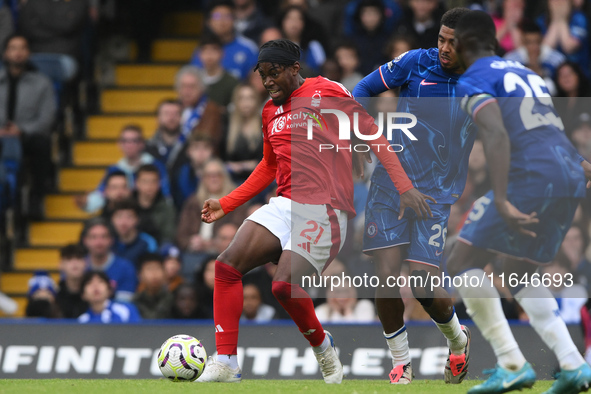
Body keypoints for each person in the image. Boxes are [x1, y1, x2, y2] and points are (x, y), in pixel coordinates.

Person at [198, 38, 432, 384]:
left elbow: (374, 136)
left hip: (325, 208)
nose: (268, 81)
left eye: (274, 72)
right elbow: (268, 165)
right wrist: (227, 202)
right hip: (284, 203)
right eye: (263, 75)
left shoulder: (327, 90)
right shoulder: (269, 111)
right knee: (226, 266)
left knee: (282, 287)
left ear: (295, 69)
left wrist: (404, 187)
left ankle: (323, 347)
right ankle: (227, 361)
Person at [448, 10, 591, 394]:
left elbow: (495, 135)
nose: (445, 50)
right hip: (567, 173)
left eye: (448, 43)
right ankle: (574, 365)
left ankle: (511, 363)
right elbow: (547, 128)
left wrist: (505, 200)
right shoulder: (525, 74)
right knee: (518, 271)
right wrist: (580, 165)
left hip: (530, 177)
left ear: (463, 45)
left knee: (461, 262)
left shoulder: (474, 79)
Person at [352, 7, 474, 385]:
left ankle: (458, 340)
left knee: (422, 283)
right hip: (391, 182)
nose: (443, 48)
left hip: (435, 197)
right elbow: (361, 90)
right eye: (440, 39)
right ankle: (401, 363)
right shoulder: (416, 63)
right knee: (385, 274)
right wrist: (360, 137)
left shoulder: (484, 82)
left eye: (453, 42)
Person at [0, 34, 56, 217]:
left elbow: (47, 118)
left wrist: (22, 130)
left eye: (22, 48)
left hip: (26, 136)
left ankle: (36, 199)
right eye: (13, 48)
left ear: (29, 53)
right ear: (5, 53)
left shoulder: (42, 82)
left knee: (42, 144)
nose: (18, 52)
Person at [75, 125, 171, 213]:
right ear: (119, 144)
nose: (129, 145)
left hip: (152, 214)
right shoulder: (114, 170)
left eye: (134, 141)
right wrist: (87, 203)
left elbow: (167, 196)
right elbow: (101, 194)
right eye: (125, 141)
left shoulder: (156, 166)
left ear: (142, 144)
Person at [190, 0, 258, 81]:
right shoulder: (201, 50)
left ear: (234, 20)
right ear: (208, 22)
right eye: (217, 16)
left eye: (227, 16)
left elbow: (257, 82)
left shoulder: (248, 48)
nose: (222, 20)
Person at [81, 218, 138, 303]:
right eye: (93, 237)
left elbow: (124, 305)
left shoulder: (126, 268)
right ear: (85, 240)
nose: (99, 242)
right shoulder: (78, 267)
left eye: (104, 237)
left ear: (111, 240)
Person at [504, 20, 565, 95]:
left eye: (537, 42)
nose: (534, 47)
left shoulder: (556, 59)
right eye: (529, 42)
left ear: (542, 40)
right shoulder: (511, 60)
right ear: (523, 41)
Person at [175, 66, 223, 151]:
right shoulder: (175, 108)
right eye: (183, 86)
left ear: (201, 89)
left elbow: (206, 142)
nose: (187, 91)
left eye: (192, 87)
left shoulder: (210, 110)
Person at [224, 84, 264, 183]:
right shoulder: (227, 124)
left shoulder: (264, 124)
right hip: (232, 178)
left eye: (250, 98)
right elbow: (222, 157)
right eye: (242, 98)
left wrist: (248, 165)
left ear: (257, 101)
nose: (246, 103)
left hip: (259, 178)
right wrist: (230, 165)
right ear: (236, 102)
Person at [133, 164, 176, 245]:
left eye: (154, 181)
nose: (149, 186)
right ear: (136, 183)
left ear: (159, 184)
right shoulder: (127, 206)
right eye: (145, 182)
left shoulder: (167, 208)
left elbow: (168, 237)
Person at [170, 134, 214, 211]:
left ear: (212, 151)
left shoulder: (222, 172)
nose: (201, 152)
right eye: (196, 148)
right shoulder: (180, 174)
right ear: (188, 151)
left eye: (206, 148)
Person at [110, 199, 158, 269]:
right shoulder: (108, 242)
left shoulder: (148, 242)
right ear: (112, 220)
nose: (123, 222)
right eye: (119, 216)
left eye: (129, 217)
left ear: (137, 220)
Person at [278, 6, 326, 75]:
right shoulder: (275, 48)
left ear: (304, 23)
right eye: (290, 18)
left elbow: (322, 71)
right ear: (282, 22)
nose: (294, 23)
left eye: (299, 19)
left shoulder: (314, 46)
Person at [196, 35, 240, 110]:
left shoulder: (232, 82)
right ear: (199, 54)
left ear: (222, 53)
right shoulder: (193, 79)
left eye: (214, 49)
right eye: (205, 50)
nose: (209, 54)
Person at [145, 99, 186, 171]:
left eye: (176, 113)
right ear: (157, 118)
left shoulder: (190, 147)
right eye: (166, 113)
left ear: (182, 118)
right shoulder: (146, 147)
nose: (171, 117)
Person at [133, 253, 173, 319]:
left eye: (157, 268)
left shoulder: (174, 300)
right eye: (149, 269)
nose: (154, 273)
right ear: (140, 275)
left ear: (164, 273)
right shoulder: (135, 302)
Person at [56, 243, 88, 319]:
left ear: (85, 263)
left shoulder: (94, 295)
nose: (75, 263)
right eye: (69, 259)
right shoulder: (54, 296)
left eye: (79, 258)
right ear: (60, 265)